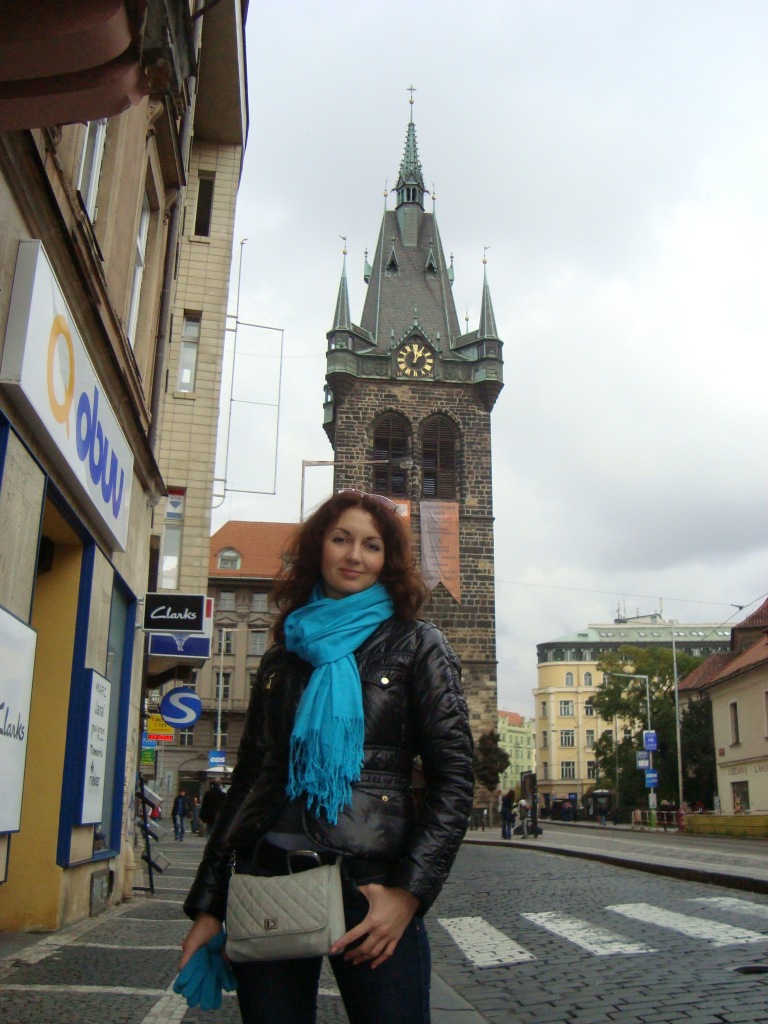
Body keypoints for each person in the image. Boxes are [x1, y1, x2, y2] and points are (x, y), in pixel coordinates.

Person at [180, 490, 474, 1024]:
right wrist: (210, 906)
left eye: (371, 545)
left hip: (370, 887)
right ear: (320, 547)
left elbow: (454, 779)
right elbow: (248, 783)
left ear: (388, 560)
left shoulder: (417, 644)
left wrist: (409, 894)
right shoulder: (283, 655)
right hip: (268, 880)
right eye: (341, 539)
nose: (354, 555)